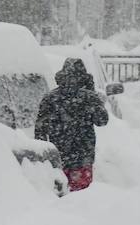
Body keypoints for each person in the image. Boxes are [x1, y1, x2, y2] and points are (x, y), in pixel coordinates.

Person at [35, 58, 110, 193]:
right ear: (84, 77)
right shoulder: (89, 97)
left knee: (58, 195)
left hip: (57, 158)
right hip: (82, 158)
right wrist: (92, 94)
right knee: (80, 197)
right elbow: (102, 121)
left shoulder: (50, 98)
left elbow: (40, 131)